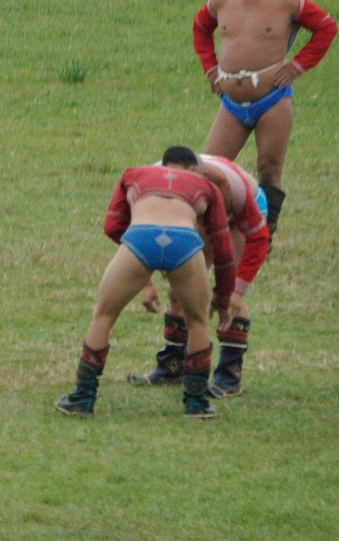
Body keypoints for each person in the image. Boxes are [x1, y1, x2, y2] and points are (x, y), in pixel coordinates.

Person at [56, 148, 234, 420]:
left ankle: (82, 397)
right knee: (198, 322)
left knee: (103, 316)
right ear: (195, 170)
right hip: (185, 240)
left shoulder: (134, 174)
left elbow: (112, 225)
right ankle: (196, 404)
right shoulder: (207, 185)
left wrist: (144, 278)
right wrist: (223, 297)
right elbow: (223, 248)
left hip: (141, 236)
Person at [194, 0, 338, 237]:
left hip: (272, 98)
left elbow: (326, 27)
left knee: (269, 168)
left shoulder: (289, 2)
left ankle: (265, 235)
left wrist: (298, 66)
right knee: (208, 169)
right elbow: (200, 28)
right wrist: (210, 68)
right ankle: (207, 231)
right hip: (231, 103)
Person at [129, 152, 269, 399]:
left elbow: (258, 237)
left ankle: (229, 376)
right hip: (195, 204)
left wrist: (237, 292)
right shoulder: (151, 188)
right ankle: (172, 367)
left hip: (240, 209)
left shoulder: (230, 191)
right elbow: (136, 237)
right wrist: (144, 283)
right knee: (178, 288)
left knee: (231, 293)